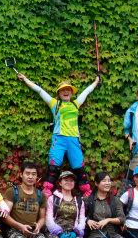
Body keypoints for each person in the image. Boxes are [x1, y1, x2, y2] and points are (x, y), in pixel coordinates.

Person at [17, 69, 100, 197]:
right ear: (59, 93)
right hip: (59, 139)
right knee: (53, 166)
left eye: (68, 90)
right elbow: (39, 90)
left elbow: (86, 91)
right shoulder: (54, 104)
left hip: (73, 140)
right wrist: (25, 79)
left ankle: (86, 192)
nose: (66, 92)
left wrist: (96, 82)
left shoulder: (76, 104)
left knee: (79, 166)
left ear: (71, 92)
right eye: (62, 90)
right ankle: (47, 190)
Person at [1, 161, 57, 238]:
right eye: (27, 173)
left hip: (32, 229)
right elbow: (4, 216)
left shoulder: (40, 195)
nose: (30, 177)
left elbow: (42, 217)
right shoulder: (12, 192)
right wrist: (20, 226)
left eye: (33, 174)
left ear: (37, 177)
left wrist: (39, 226)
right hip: (15, 230)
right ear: (21, 175)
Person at [85, 171, 138, 238]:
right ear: (96, 183)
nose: (107, 183)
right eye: (104, 181)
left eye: (109, 180)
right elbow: (80, 216)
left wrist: (108, 220)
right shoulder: (88, 200)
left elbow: (122, 218)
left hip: (112, 233)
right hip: (96, 236)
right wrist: (88, 221)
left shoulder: (115, 200)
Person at [46, 170, 99, 238]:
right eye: (66, 180)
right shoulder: (52, 199)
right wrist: (58, 232)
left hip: (73, 233)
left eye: (71, 180)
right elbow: (48, 219)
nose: (69, 182)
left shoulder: (79, 201)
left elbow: (82, 219)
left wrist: (76, 231)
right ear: (60, 182)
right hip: (55, 233)